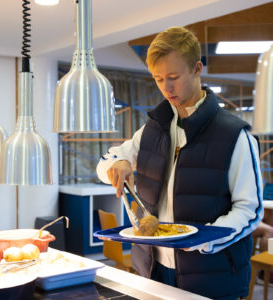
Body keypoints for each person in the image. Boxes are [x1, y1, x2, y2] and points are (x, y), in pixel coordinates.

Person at [96, 26, 263, 300]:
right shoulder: (153, 128)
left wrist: (203, 241)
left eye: (173, 77)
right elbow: (105, 162)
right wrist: (119, 165)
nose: (166, 87)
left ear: (197, 69)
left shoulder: (235, 135)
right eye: (158, 78)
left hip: (212, 276)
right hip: (153, 271)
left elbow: (250, 210)